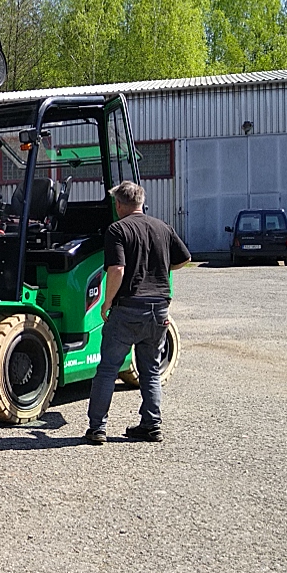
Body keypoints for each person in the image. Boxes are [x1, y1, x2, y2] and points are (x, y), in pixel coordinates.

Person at [85, 181, 190, 445]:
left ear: (119, 205)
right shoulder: (163, 227)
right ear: (141, 202)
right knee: (151, 370)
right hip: (159, 310)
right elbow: (185, 258)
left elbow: (117, 269)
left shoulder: (117, 229)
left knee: (108, 369)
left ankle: (97, 428)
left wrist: (107, 302)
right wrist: (160, 269)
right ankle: (151, 425)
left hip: (128, 308)